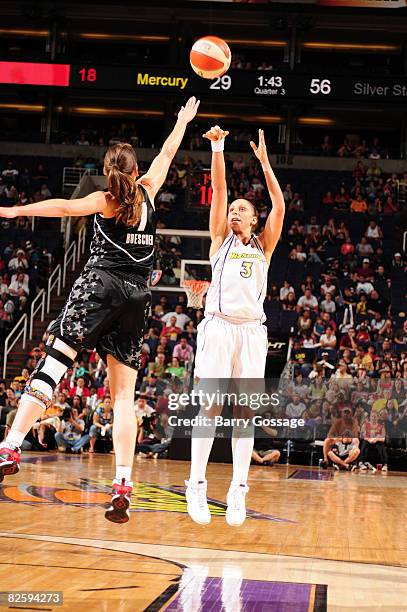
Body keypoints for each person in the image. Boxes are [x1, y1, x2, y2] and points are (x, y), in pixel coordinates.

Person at [0, 96, 200, 524]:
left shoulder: (105, 200)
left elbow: (63, 207)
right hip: (137, 298)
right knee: (123, 398)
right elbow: (167, 153)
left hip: (100, 286)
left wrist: (15, 210)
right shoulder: (147, 193)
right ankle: (122, 483)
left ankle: (10, 444)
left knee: (53, 368)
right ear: (134, 169)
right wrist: (182, 120)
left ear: (109, 171)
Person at [185, 126, 285, 526]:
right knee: (208, 408)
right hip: (218, 328)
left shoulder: (265, 244)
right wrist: (218, 148)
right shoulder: (218, 240)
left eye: (242, 209)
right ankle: (196, 485)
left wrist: (264, 163)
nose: (234, 212)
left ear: (254, 218)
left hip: (251, 333)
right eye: (232, 210)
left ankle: (238, 490)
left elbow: (279, 203)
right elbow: (220, 189)